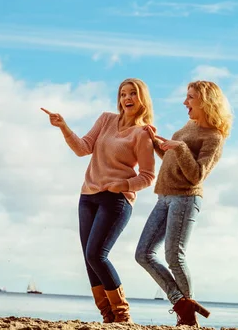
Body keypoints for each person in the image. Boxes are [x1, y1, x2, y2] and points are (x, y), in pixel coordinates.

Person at [42, 78, 156, 323]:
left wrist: (123, 185)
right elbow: (83, 148)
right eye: (123, 94)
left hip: (116, 200)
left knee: (96, 254)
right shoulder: (106, 119)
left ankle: (122, 314)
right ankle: (108, 315)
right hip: (88, 197)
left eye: (133, 94)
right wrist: (63, 126)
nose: (127, 98)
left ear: (142, 98)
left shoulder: (142, 133)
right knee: (89, 258)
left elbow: (148, 176)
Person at [135, 80, 232, 326]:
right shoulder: (189, 125)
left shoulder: (214, 137)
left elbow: (196, 175)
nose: (184, 102)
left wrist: (179, 147)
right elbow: (172, 159)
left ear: (206, 101)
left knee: (174, 256)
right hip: (164, 196)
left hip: (186, 198)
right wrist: (157, 141)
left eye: (190, 97)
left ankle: (187, 315)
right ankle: (181, 302)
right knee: (143, 254)